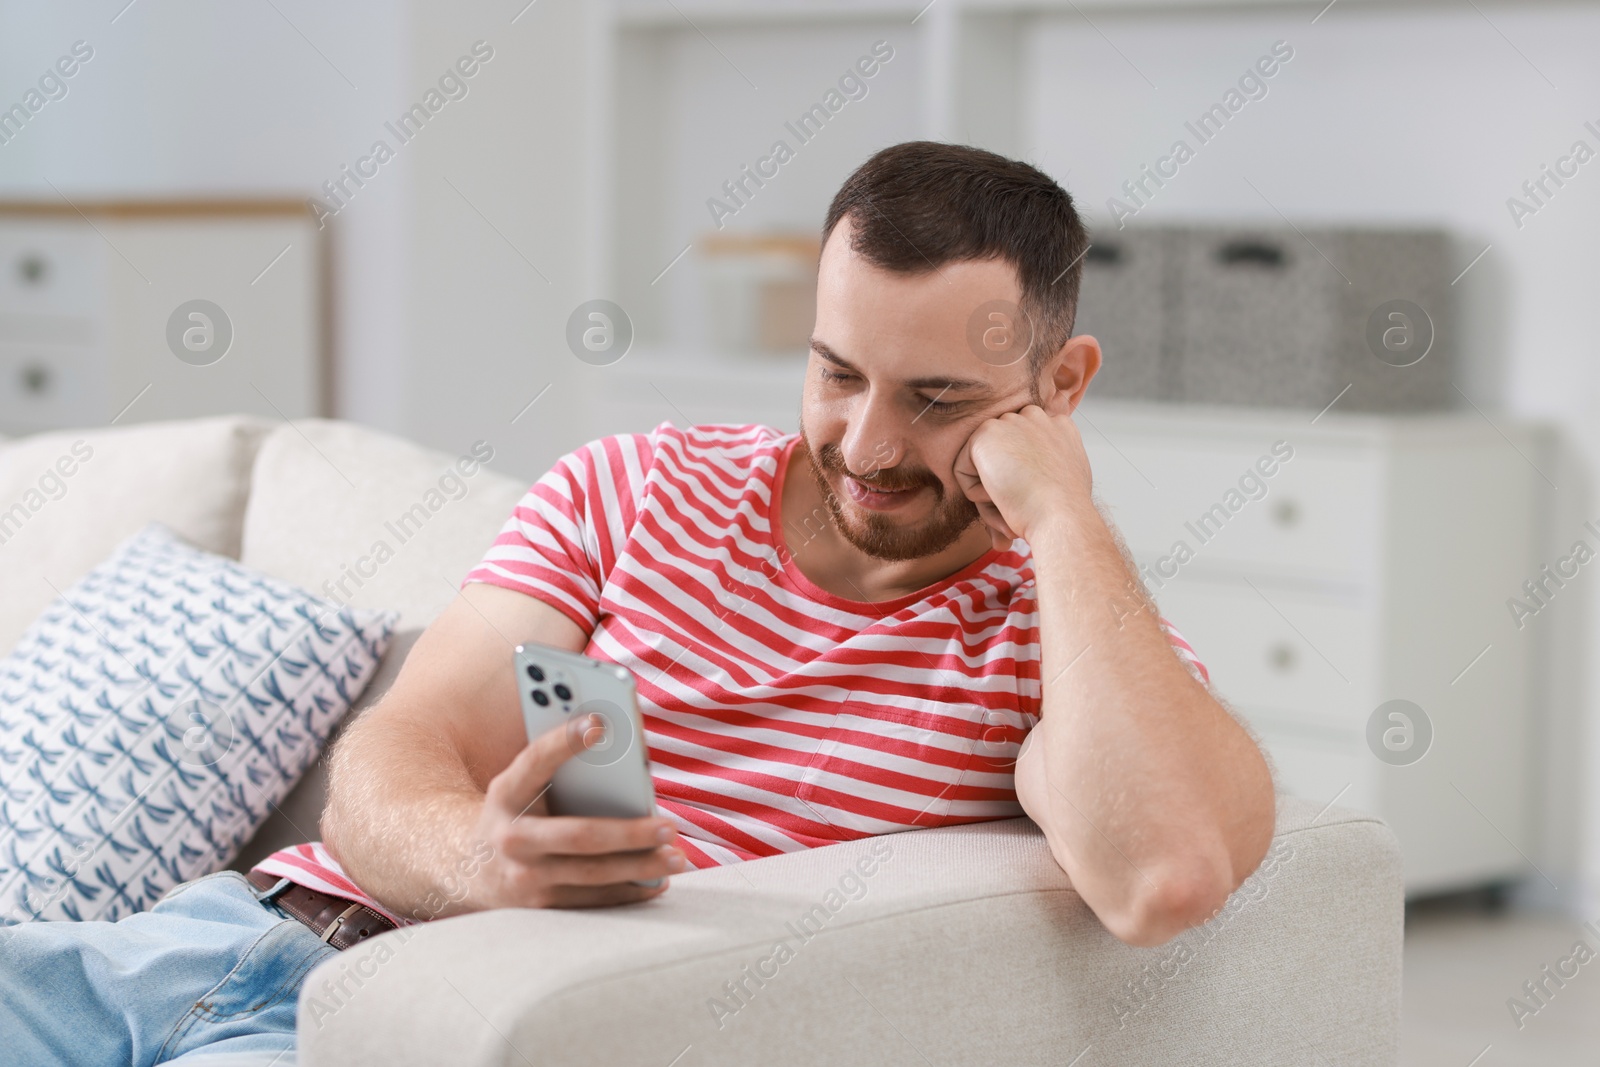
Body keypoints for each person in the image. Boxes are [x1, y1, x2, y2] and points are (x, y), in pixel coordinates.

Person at [1, 141, 1274, 1065]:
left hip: (413, 1026)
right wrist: (474, 858)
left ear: (1059, 384)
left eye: (936, 399)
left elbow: (1160, 872)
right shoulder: (636, 485)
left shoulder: (1043, 637)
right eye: (837, 374)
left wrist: (1062, 516)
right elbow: (397, 750)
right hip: (215, 935)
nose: (869, 445)